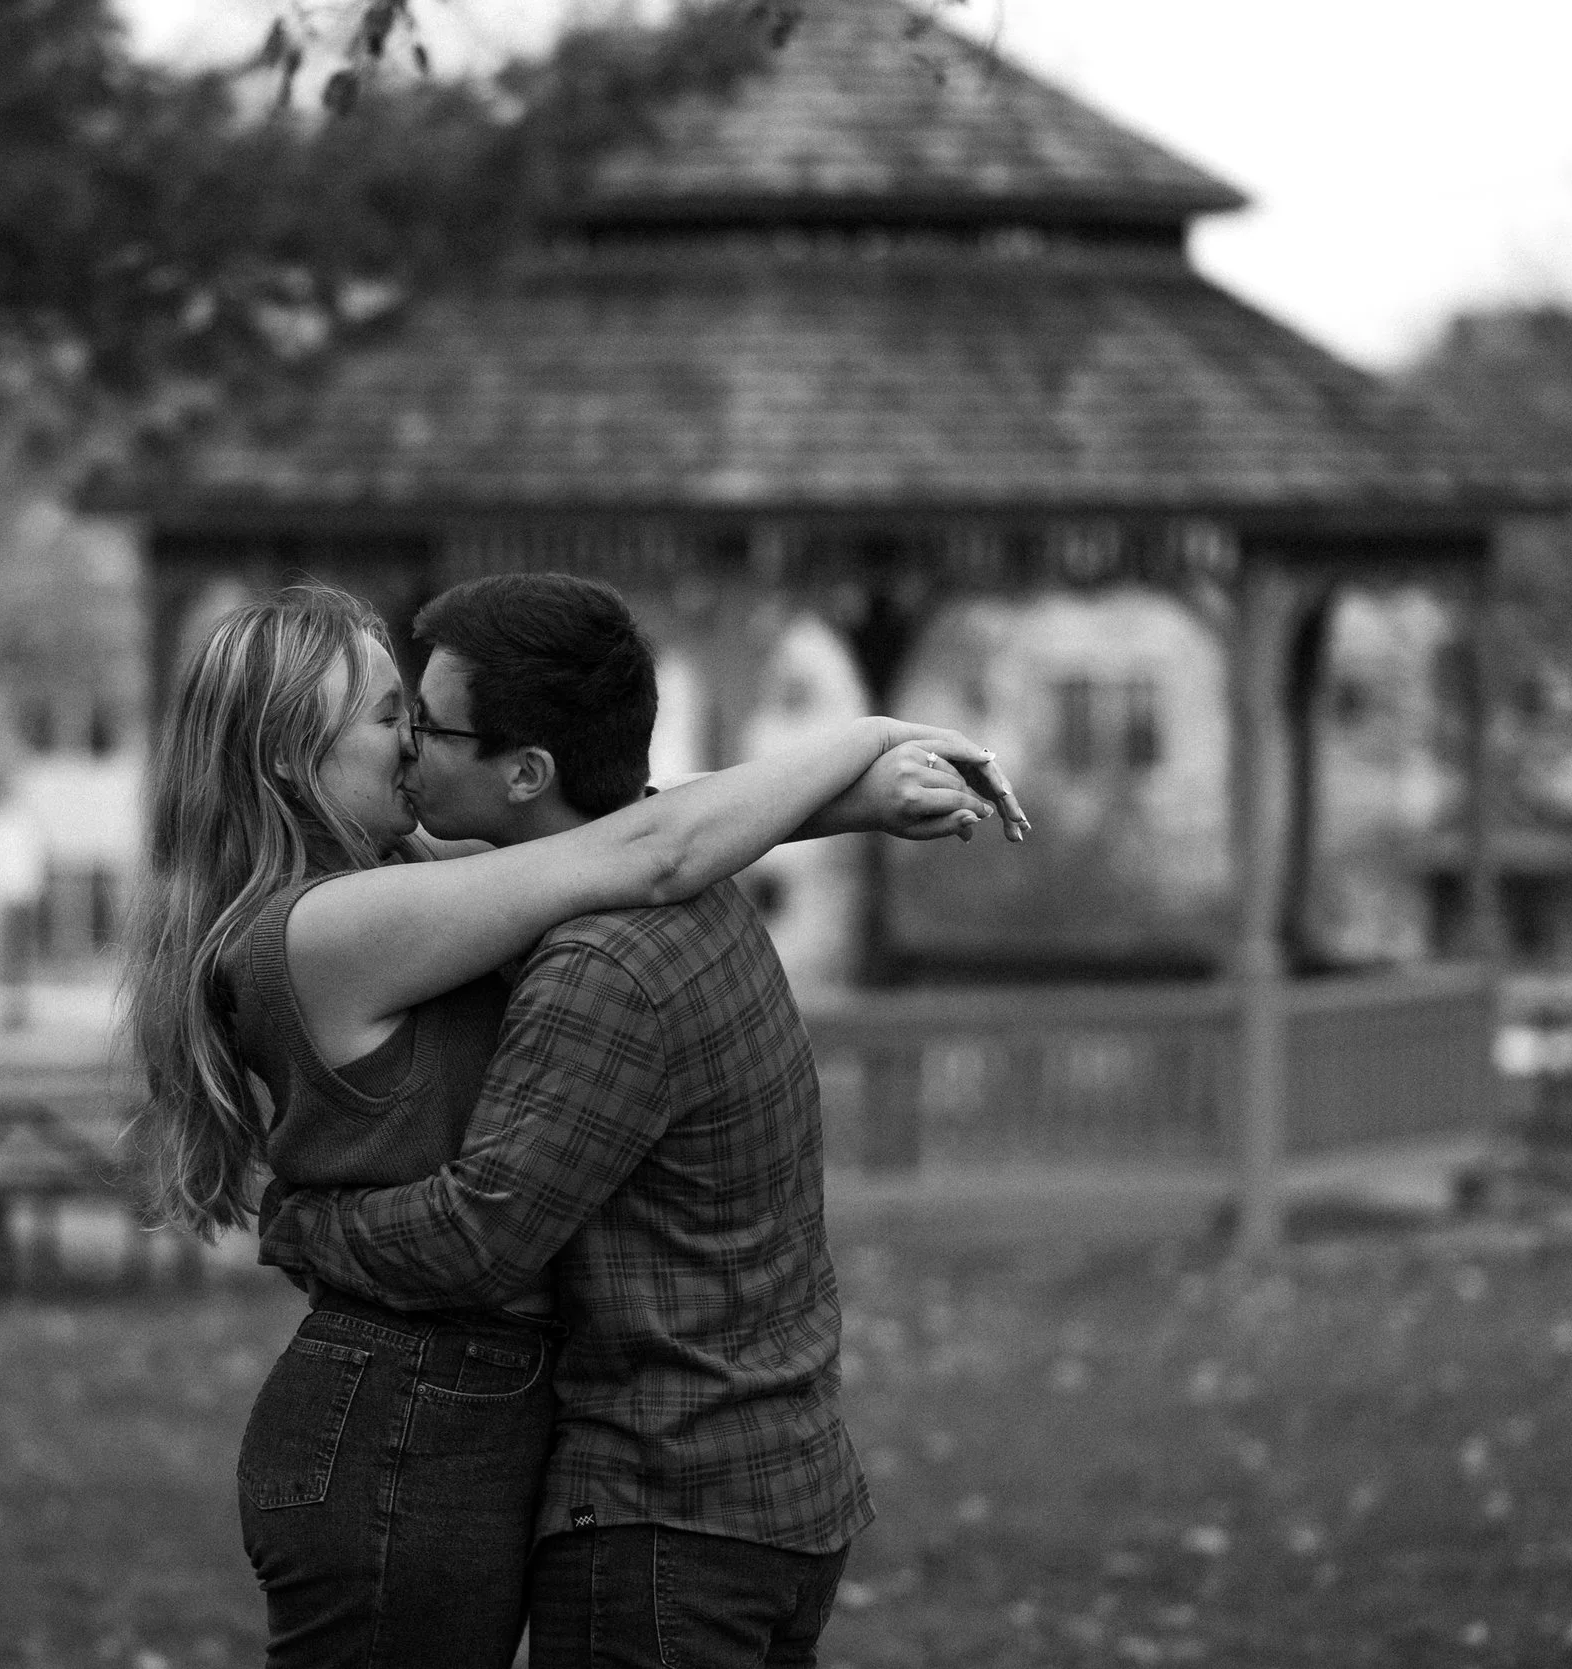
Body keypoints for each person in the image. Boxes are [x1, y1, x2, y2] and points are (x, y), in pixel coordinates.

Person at [124, 578, 1020, 1669]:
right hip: (394, 1406)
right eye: (382, 716)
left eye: (417, 715)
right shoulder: (323, 927)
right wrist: (868, 739)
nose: (410, 743)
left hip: (455, 1409)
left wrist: (841, 798)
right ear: (283, 758)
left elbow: (611, 821)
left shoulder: (406, 884)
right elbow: (641, 849)